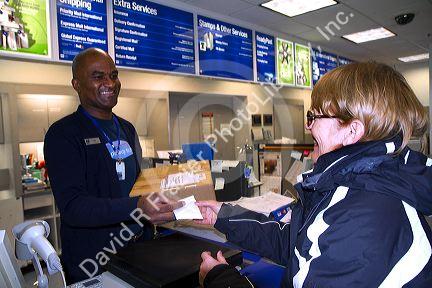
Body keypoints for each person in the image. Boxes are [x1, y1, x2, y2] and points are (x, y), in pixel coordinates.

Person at [196, 62, 432, 287]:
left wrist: (221, 279)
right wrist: (223, 216)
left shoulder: (363, 214)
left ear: (352, 131)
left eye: (314, 118)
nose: (309, 127)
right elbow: (297, 242)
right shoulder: (356, 185)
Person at [44, 48, 183, 283]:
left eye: (114, 75)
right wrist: (137, 206)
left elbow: (137, 183)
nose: (110, 82)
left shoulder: (127, 128)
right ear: (76, 84)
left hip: (139, 251)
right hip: (94, 259)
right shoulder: (63, 134)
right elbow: (74, 208)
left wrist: (161, 198)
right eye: (98, 76)